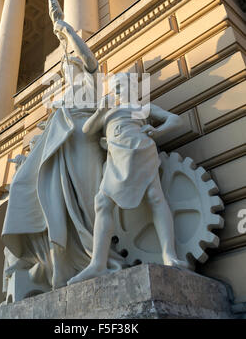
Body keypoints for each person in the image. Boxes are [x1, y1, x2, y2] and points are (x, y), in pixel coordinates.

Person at [2, 14, 123, 291]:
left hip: (85, 143)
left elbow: (87, 57)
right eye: (67, 69)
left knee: (88, 204)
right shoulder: (66, 97)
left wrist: (66, 30)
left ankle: (96, 259)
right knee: (49, 203)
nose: (69, 71)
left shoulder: (91, 81)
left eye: (72, 66)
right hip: (61, 148)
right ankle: (54, 263)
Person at [68, 73, 189, 285]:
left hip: (141, 152)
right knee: (102, 203)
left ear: (132, 87)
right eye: (113, 87)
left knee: (155, 198)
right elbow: (87, 131)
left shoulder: (141, 107)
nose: (115, 91)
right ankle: (97, 264)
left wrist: (157, 132)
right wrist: (99, 111)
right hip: (116, 160)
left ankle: (169, 255)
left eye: (120, 86)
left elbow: (176, 120)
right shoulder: (108, 112)